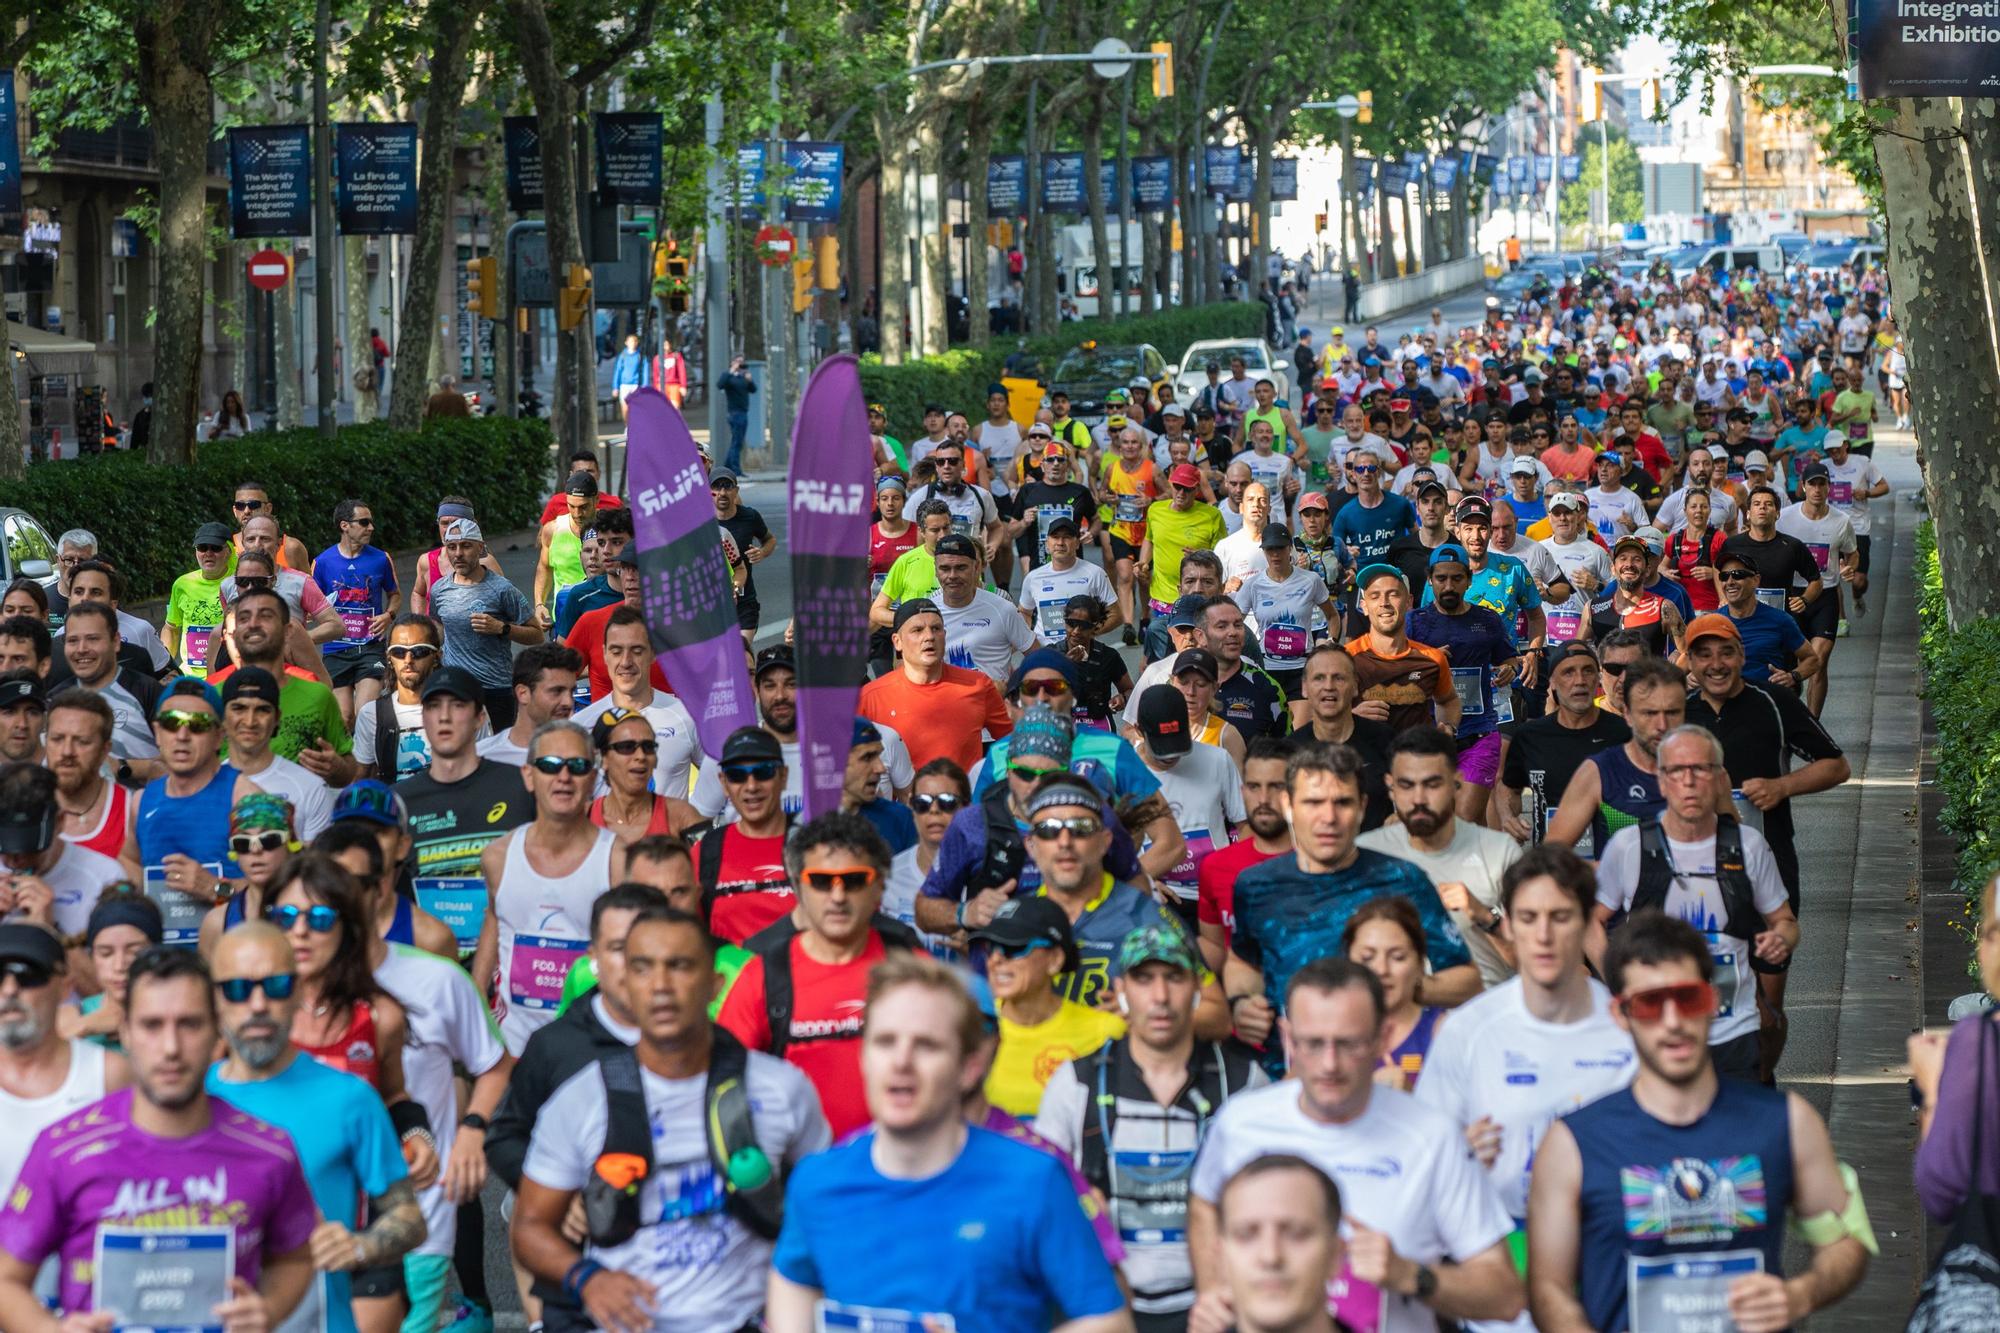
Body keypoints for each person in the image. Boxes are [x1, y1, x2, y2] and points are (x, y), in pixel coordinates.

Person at [1527, 910, 1871, 1332]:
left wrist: (1800, 1294)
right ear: (1621, 1014)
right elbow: (1549, 1289)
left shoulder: (1786, 1122)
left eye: (1687, 998)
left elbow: (1846, 1243)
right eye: (1650, 1003)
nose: (1672, 1022)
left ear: (1712, 1000)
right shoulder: (1572, 1144)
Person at [768, 953, 1129, 1332]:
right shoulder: (817, 1180)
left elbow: (1109, 1320)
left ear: (969, 1067)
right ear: (863, 1057)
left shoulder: (1034, 1180)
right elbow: (792, 1279)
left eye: (926, 1045)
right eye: (885, 1042)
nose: (901, 1061)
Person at [514, 905, 830, 1333]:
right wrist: (587, 1279)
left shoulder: (782, 1088)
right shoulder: (581, 1099)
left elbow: (828, 1205)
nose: (661, 986)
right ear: (625, 983)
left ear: (714, 984)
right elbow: (530, 1226)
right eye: (643, 968)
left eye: (680, 966)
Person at [1188, 958, 1527, 1333]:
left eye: (1348, 1043)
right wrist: (1214, 1289)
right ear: (1287, 1038)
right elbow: (1204, 1204)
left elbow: (1505, 1296)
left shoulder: (1433, 1137)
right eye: (1313, 1044)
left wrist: (1411, 1276)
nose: (1329, 1064)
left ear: (1382, 1038)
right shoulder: (1242, 1123)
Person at [0, 946, 319, 1332]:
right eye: (152, 1025)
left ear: (218, 1030)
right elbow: (6, 1279)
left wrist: (269, 1309)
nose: (171, 1048)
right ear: (126, 1033)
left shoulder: (270, 1151)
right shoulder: (63, 1150)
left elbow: (296, 1257)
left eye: (189, 1024)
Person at [1034, 923, 1269, 1329]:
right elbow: (1038, 1200)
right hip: (1105, 1303)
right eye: (1144, 980)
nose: (1160, 997)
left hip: (1219, 1306)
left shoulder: (1244, 1083)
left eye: (1174, 978)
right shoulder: (1078, 1083)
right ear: (1121, 990)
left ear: (1197, 988)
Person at [1414, 845, 1636, 1267]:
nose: (1544, 936)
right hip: (1500, 1255)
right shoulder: (1468, 1030)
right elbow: (1424, 1155)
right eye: (1529, 919)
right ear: (1509, 927)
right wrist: (1456, 1155)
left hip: (1607, 1252)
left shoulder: (1629, 1031)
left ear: (1587, 921)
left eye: (1561, 916)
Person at [206, 915, 428, 1333]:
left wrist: (359, 1246)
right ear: (214, 999)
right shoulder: (189, 1099)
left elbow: (409, 1219)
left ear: (297, 993)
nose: (257, 1005)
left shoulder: (350, 1098)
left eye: (276, 986)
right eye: (237, 989)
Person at [1225, 743, 1477, 1077]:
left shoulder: (1403, 879)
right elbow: (1243, 961)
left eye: (1342, 802)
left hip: (1385, 1077)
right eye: (1313, 803)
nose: (1328, 818)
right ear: (1288, 805)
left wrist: (1396, 987)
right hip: (1288, 1080)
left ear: (1362, 807)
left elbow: (1467, 980)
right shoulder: (1255, 886)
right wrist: (1242, 1002)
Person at [1587, 726, 1797, 1083]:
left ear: (1718, 778)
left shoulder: (1749, 846)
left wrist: (1781, 939)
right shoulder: (1628, 847)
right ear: (1661, 781)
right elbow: (1592, 922)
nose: (1689, 781)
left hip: (1733, 1028)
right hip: (1656, 1028)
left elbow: (1785, 921)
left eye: (1700, 769)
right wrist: (1618, 981)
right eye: (1677, 771)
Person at [720, 812, 908, 1138]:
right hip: (795, 1175)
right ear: (798, 887)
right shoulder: (762, 977)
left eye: (853, 880)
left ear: (879, 885)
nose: (837, 897)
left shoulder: (909, 968)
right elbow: (724, 1081)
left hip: (898, 1170)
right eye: (821, 881)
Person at [473, 719, 623, 1056]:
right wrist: (475, 1001)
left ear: (594, 778)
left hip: (591, 1046)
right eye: (550, 765)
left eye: (578, 766)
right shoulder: (497, 856)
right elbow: (495, 921)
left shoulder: (619, 860)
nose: (564, 776)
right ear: (529, 775)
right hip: (511, 1047)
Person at [1359, 727, 1523, 988]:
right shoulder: (1366, 854)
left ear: (1456, 783)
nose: (1419, 799)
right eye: (1407, 785)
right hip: (1400, 1015)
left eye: (1432, 784)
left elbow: (1533, 962)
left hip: (1483, 1011)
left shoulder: (1499, 851)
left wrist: (1483, 915)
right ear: (1391, 788)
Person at [0, 919, 130, 1206]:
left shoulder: (110, 1073)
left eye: (28, 975)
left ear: (64, 987)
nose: (9, 990)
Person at [123, 678, 259, 943]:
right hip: (160, 964)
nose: (182, 736)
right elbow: (127, 860)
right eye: (172, 723)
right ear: (157, 732)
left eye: (197, 725)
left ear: (219, 736)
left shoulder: (245, 797)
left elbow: (281, 889)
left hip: (226, 961)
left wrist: (216, 888)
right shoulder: (142, 801)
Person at [1408, 543, 1520, 821]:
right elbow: (1402, 674)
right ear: (1430, 580)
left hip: (1479, 734)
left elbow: (1510, 660)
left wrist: (1509, 669)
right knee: (1446, 821)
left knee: (1463, 819)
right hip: (1429, 736)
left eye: (1456, 578)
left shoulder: (1487, 620)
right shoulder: (1415, 622)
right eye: (1441, 578)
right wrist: (1427, 662)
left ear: (1468, 580)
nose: (1448, 586)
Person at [1495, 642, 1631, 849]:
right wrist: (1507, 818)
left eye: (1588, 671)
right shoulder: (1530, 736)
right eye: (1568, 673)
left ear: (1598, 678)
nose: (1580, 681)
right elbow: (1508, 786)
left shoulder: (1623, 733)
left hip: (1611, 864)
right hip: (1553, 863)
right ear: (1553, 682)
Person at [858, 599, 1013, 774]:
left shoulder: (978, 685)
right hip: (901, 801)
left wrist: (987, 786)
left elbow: (1010, 746)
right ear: (897, 642)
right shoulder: (870, 697)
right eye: (917, 630)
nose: (929, 636)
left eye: (936, 629)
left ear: (945, 636)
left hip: (965, 801)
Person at [572, 607, 702, 799]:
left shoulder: (687, 716)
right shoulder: (581, 725)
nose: (626, 662)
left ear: (653, 653)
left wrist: (697, 820)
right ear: (605, 654)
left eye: (637, 651)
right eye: (616, 651)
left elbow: (722, 777)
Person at [428, 518, 543, 728]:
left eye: (466, 546)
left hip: (496, 688)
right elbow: (438, 627)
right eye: (451, 547)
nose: (458, 554)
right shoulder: (439, 589)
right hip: (456, 686)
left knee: (498, 754)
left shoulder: (501, 589)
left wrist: (502, 628)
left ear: (480, 548)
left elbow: (537, 635)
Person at [1776, 464, 1858, 715]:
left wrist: (1848, 569)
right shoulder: (1785, 517)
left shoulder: (1841, 521)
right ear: (1803, 486)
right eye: (1812, 484)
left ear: (1829, 487)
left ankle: (1813, 725)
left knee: (1819, 662)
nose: (1817, 489)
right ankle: (1790, 705)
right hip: (1792, 596)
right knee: (1792, 662)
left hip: (1826, 596)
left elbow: (1852, 554)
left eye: (1822, 483)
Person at [218, 665, 334, 840]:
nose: (250, 721)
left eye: (262, 710)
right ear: (223, 718)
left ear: (277, 718)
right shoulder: (199, 787)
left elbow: (314, 864)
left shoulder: (311, 788)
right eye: (239, 709)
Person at [314, 498, 401, 727]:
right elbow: (311, 605)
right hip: (336, 649)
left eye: (371, 522)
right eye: (364, 522)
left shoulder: (381, 558)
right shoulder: (322, 562)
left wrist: (388, 616)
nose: (371, 527)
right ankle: (350, 762)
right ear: (344, 525)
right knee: (343, 718)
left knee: (365, 714)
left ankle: (369, 763)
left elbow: (395, 594)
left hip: (370, 648)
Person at [1343, 565, 1459, 736]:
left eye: (1393, 594)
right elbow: (1321, 713)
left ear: (1408, 602)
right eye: (1375, 596)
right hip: (1363, 760)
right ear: (1364, 606)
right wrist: (1351, 717)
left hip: (1417, 758)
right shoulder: (1345, 659)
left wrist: (1448, 728)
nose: (1384, 603)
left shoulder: (1432, 659)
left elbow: (1449, 700)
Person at [53, 603, 164, 773]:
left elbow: (177, 762)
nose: (82, 649)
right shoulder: (55, 699)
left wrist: (121, 767)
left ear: (116, 642)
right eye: (73, 640)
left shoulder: (148, 692)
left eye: (93, 639)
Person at [59, 890, 164, 1048]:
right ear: (92, 956)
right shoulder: (72, 1017)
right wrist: (85, 1026)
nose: (119, 966)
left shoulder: (182, 1012)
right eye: (106, 953)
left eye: (134, 952)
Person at [477, 640, 583, 768]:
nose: (569, 702)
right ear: (523, 694)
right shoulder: (481, 758)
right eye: (556, 691)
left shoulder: (584, 758)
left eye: (571, 692)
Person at [164, 521, 234, 679]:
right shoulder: (182, 584)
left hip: (228, 674)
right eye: (202, 548)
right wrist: (165, 668)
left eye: (215, 548)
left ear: (229, 551)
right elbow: (171, 628)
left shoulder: (239, 582)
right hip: (191, 677)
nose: (208, 553)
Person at [534, 471, 601, 625]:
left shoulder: (610, 530)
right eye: (571, 506)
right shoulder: (552, 530)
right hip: (564, 620)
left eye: (583, 507)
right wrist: (539, 605)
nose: (577, 514)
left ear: (596, 500)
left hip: (601, 619)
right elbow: (544, 568)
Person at [717, 354, 758, 471]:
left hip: (743, 412)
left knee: (737, 441)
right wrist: (731, 370)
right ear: (732, 362)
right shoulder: (728, 377)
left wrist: (750, 381)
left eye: (742, 362)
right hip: (734, 413)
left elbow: (754, 390)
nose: (740, 364)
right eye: (738, 362)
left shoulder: (743, 377)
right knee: (736, 442)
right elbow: (720, 385)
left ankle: (728, 466)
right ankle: (735, 469)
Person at [611, 333, 646, 417]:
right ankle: (628, 426)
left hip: (636, 385)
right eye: (630, 341)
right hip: (624, 385)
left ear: (637, 343)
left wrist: (644, 386)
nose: (632, 343)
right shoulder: (623, 356)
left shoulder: (640, 356)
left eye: (634, 341)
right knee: (625, 407)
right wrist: (615, 387)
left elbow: (644, 371)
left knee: (636, 408)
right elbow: (618, 371)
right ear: (626, 343)